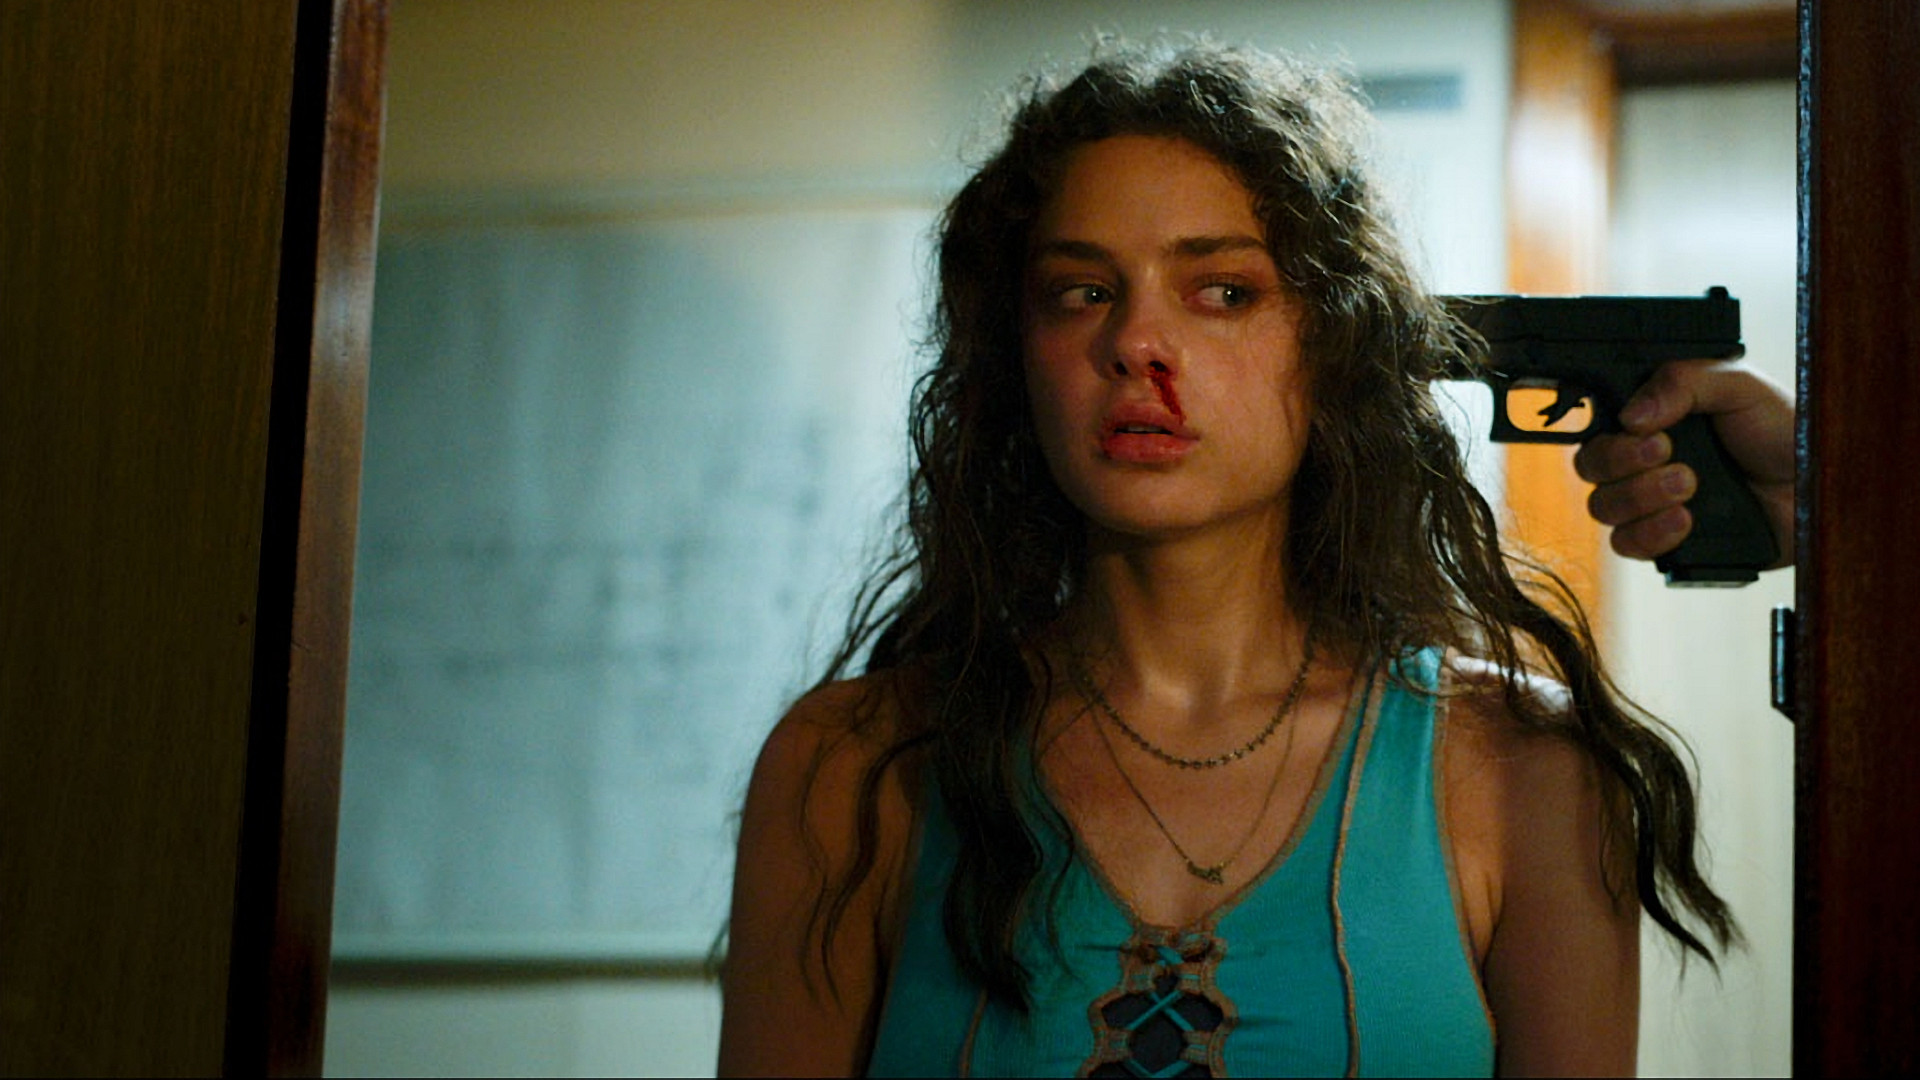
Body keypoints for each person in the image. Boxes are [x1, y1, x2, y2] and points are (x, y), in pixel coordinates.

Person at [719, 42, 1738, 1077]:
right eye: (1081, 292)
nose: (1137, 342)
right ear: (1016, 353)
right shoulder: (849, 767)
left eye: (1222, 291)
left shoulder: (1526, 774)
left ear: (1332, 342)